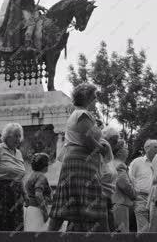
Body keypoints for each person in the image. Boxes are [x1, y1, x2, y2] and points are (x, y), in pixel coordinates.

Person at [48, 83, 110, 232]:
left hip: (79, 162)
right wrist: (102, 149)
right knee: (95, 201)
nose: (96, 100)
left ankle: (48, 236)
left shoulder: (78, 114)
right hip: (81, 162)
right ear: (87, 97)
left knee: (66, 202)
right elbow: (87, 139)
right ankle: (107, 237)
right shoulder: (82, 114)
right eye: (94, 97)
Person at [0, 122, 27, 231]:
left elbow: (19, 176)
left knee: (16, 225)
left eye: (19, 136)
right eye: (15, 136)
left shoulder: (18, 153)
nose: (18, 139)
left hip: (16, 193)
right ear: (7, 136)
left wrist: (25, 194)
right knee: (2, 224)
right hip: (1, 191)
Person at [128, 139, 157, 233]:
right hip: (141, 197)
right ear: (146, 148)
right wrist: (135, 195)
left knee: (156, 230)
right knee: (143, 229)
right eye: (155, 147)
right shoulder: (137, 162)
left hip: (156, 198)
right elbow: (130, 179)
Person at [111, 140, 136, 232]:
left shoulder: (110, 163)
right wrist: (134, 195)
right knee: (123, 234)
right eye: (126, 148)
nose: (128, 151)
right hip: (120, 203)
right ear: (119, 152)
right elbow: (124, 184)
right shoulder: (120, 165)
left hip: (113, 202)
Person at [23, 153, 52, 231]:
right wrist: (45, 212)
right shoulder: (41, 176)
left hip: (28, 210)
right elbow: (38, 194)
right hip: (37, 211)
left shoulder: (32, 175)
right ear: (45, 165)